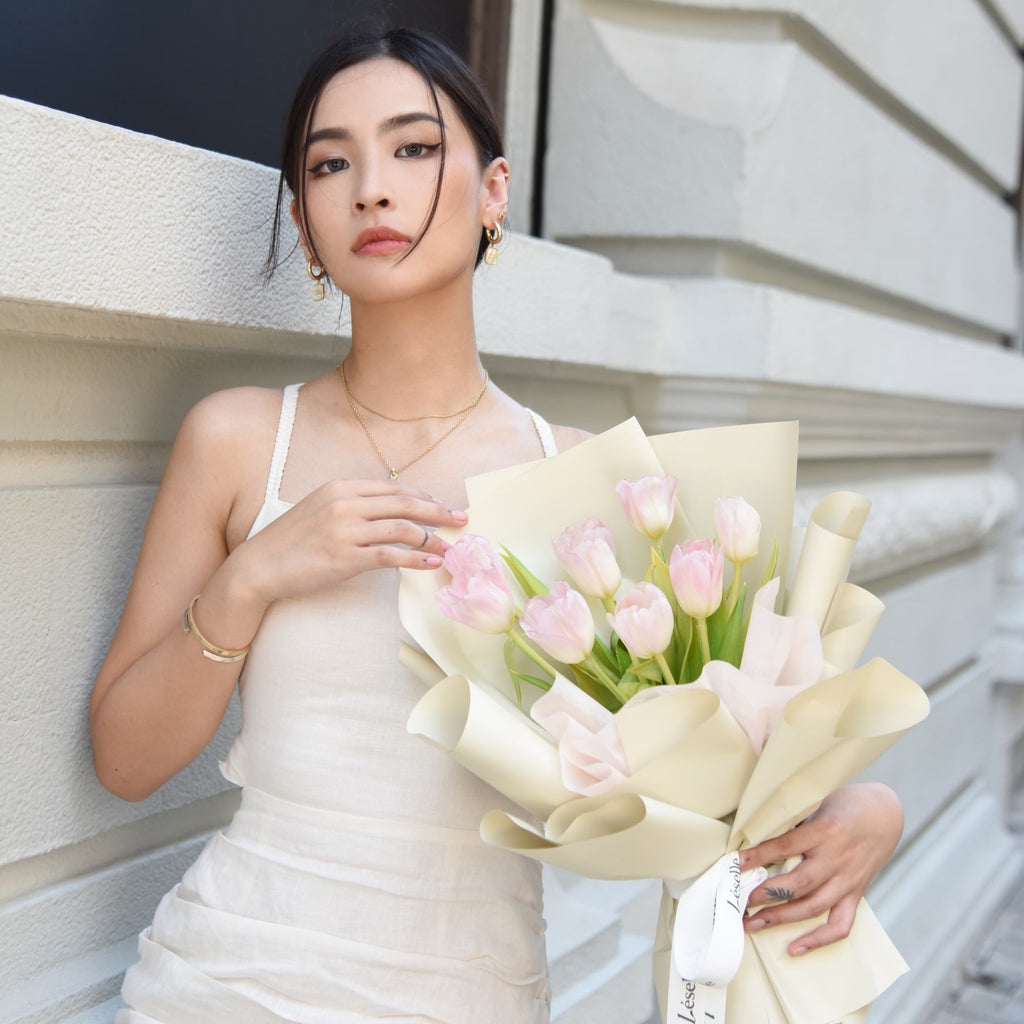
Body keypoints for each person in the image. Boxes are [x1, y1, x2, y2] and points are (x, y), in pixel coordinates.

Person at [89, 26, 905, 1023]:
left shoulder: (587, 480)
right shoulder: (237, 438)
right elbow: (125, 762)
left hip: (470, 989)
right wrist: (250, 578)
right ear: (303, 222)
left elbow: (718, 753)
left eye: (414, 148)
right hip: (226, 980)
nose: (371, 190)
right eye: (330, 163)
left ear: (494, 192)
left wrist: (866, 806)